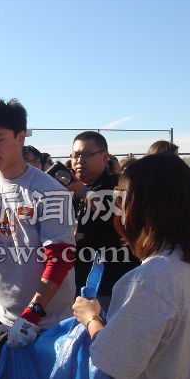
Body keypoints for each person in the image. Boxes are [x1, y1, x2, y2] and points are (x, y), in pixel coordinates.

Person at [73, 153, 190, 379]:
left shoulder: (150, 278)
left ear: (137, 209)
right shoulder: (183, 262)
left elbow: (113, 362)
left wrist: (90, 318)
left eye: (121, 202)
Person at [0, 99, 75, 379]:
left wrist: (33, 312)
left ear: (21, 137)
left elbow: (60, 259)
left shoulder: (49, 191)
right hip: (3, 313)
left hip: (47, 321)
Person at [69, 131, 139, 310]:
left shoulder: (119, 185)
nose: (79, 160)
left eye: (87, 154)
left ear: (105, 157)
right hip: (76, 280)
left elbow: (115, 214)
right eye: (75, 155)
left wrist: (83, 192)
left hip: (111, 282)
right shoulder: (69, 190)